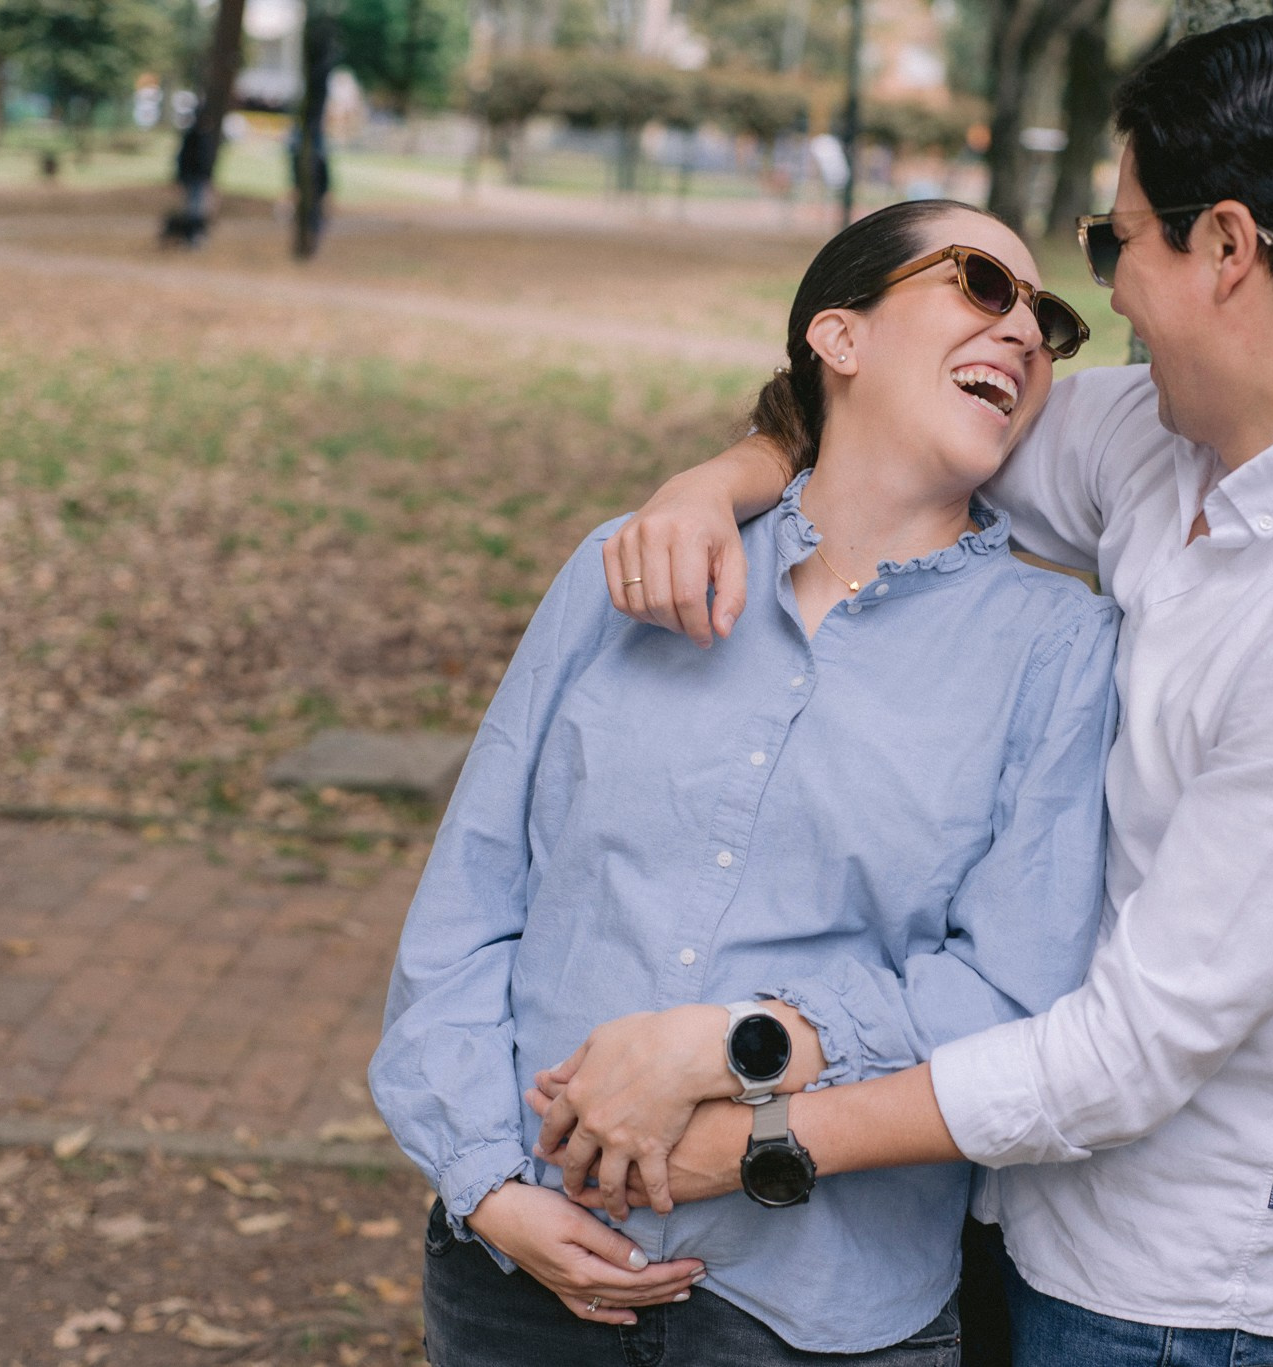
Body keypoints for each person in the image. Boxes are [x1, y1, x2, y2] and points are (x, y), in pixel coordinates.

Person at [531, 15, 1273, 1367]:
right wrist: (713, 485)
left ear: (1229, 249)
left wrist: (749, 1122)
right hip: (982, 1195)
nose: (1106, 299)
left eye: (1114, 243)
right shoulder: (1176, 434)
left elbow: (1131, 1054)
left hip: (1161, 1289)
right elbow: (882, 421)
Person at [369, 198, 1119, 1366]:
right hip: (517, 1273)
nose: (1024, 330)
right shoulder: (624, 567)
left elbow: (1011, 986)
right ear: (840, 335)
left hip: (816, 1309)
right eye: (981, 284)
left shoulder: (1057, 647)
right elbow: (472, 898)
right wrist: (484, 1184)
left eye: (1047, 316)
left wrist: (739, 1043)